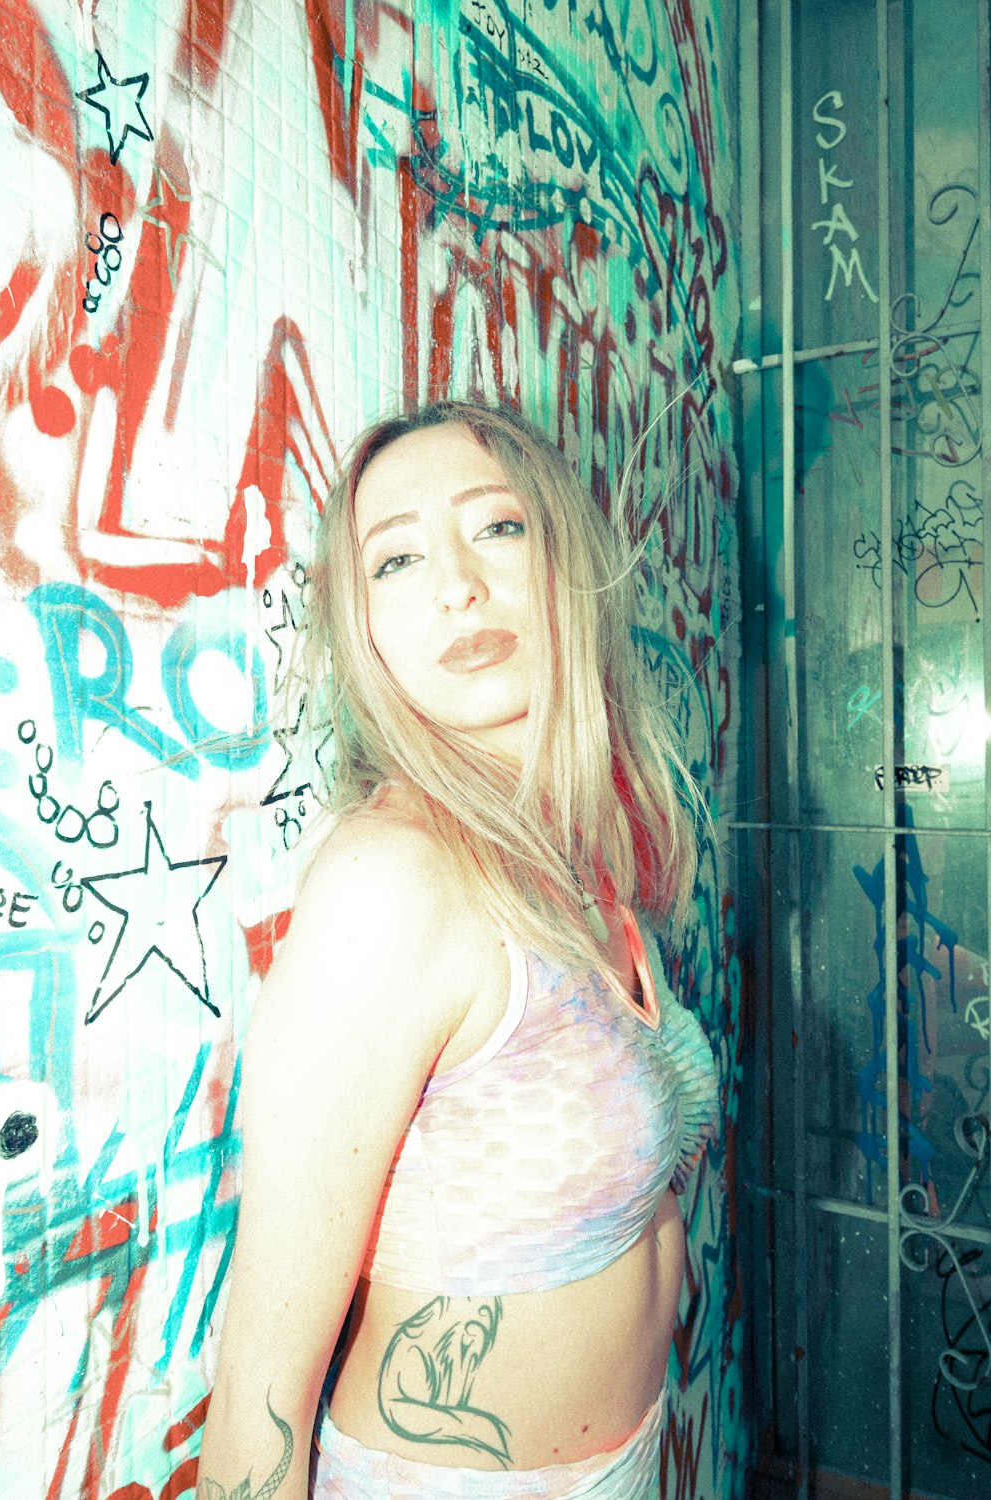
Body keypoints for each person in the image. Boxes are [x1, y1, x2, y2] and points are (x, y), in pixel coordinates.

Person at [195, 400, 718, 1500]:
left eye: (496, 528)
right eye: (395, 560)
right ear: (365, 631)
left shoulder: (588, 855)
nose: (456, 586)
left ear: (562, 557)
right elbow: (258, 1386)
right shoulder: (391, 884)